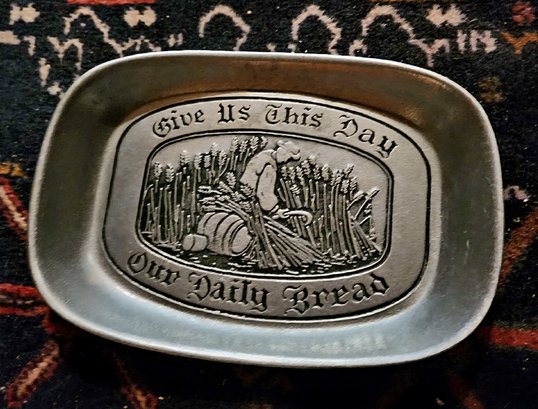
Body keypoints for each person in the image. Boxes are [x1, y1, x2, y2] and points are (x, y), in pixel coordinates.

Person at [239, 141, 300, 216]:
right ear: (283, 152)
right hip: (251, 203)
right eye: (288, 157)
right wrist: (274, 210)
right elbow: (263, 193)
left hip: (243, 195)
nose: (286, 161)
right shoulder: (269, 167)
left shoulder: (264, 155)